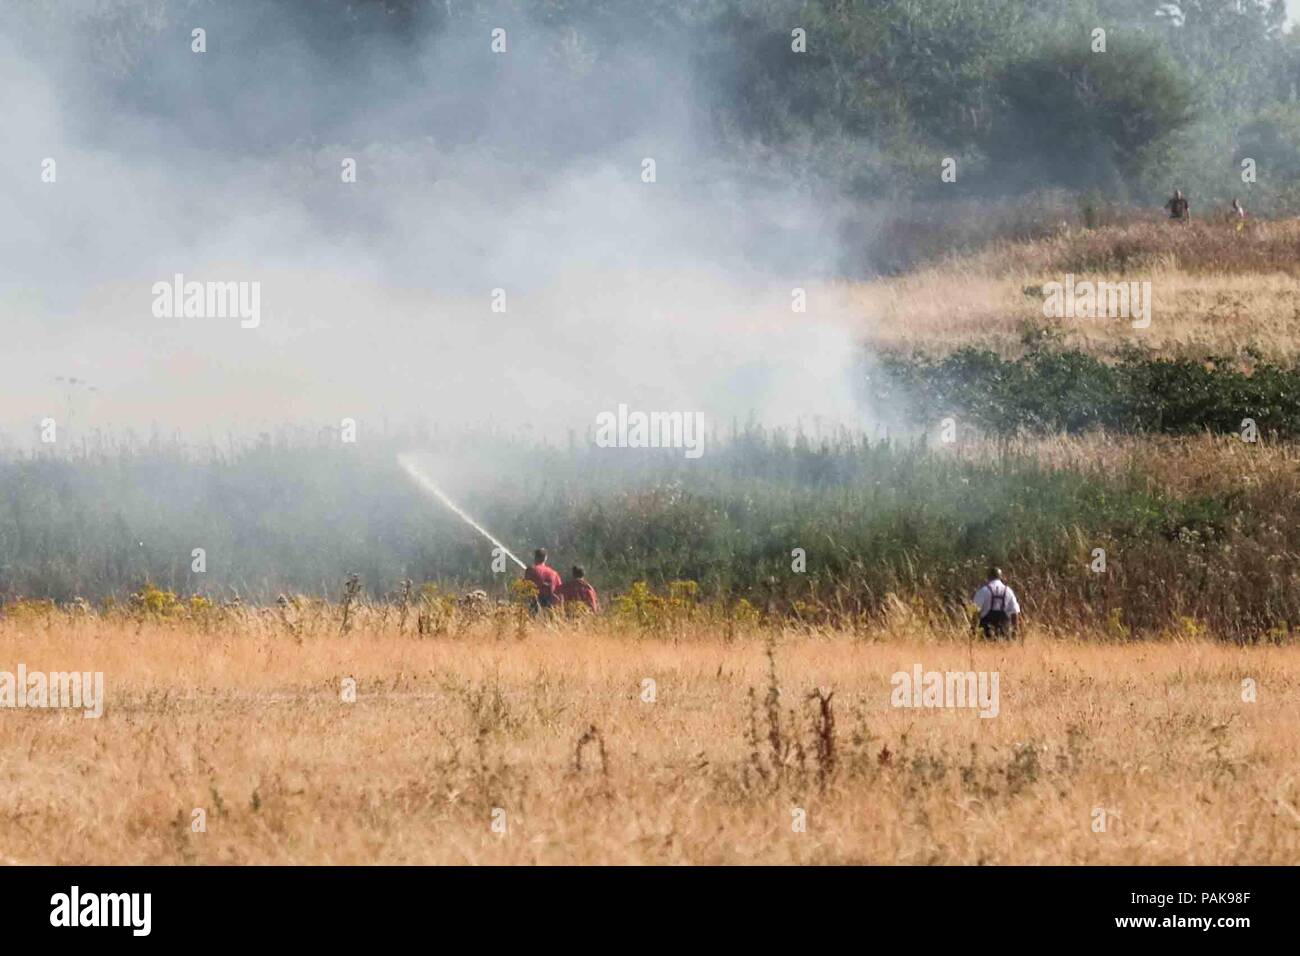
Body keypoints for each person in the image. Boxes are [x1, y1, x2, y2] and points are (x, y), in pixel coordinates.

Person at [972, 567, 1021, 640]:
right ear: (1001, 577)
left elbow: (975, 612)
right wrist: (1015, 631)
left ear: (988, 577)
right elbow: (1015, 612)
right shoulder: (1008, 591)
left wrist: (973, 631)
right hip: (1004, 632)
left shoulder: (983, 591)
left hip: (986, 633)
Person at [523, 548, 562, 613]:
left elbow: (524, 588)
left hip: (534, 606)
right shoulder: (554, 573)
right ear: (545, 558)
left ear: (535, 557)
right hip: (551, 608)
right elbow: (560, 592)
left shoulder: (530, 570)